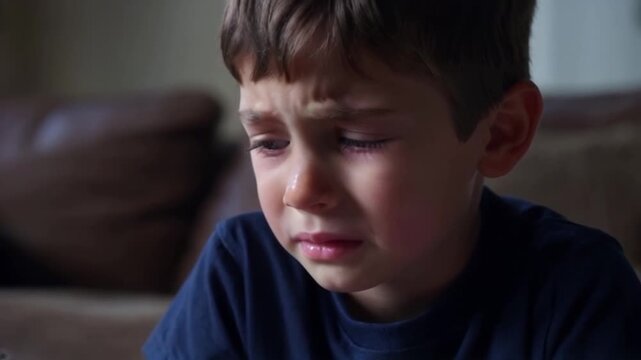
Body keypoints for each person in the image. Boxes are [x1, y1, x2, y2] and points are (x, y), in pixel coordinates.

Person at [144, 0, 641, 358]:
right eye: (269, 142)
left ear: (499, 134)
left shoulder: (577, 291)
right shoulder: (241, 274)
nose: (301, 191)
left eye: (357, 139)